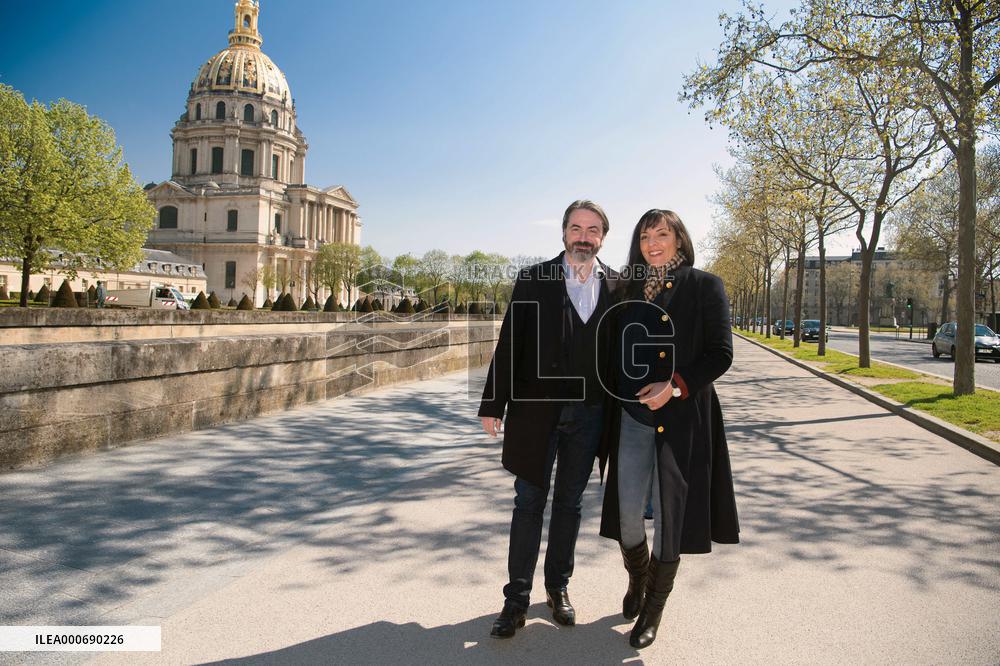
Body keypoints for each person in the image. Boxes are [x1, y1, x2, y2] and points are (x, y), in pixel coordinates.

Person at [599, 209, 739, 649]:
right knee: (626, 518)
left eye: (662, 234)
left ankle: (653, 610)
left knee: (671, 517)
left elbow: (720, 354)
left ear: (680, 239)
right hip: (632, 417)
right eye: (645, 235)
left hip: (683, 421)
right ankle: (637, 579)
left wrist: (675, 387)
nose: (653, 242)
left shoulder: (705, 286)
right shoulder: (624, 289)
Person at [479, 199, 619, 638]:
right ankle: (515, 600)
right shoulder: (534, 278)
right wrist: (492, 403)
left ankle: (558, 588)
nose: (583, 236)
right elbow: (511, 343)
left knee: (570, 505)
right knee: (528, 503)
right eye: (576, 227)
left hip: (590, 415)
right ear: (563, 233)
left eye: (592, 229)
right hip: (536, 414)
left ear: (602, 237)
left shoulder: (616, 285)